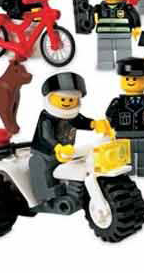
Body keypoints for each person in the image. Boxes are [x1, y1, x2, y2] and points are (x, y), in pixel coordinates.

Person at [30, 72, 113, 205]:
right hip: (45, 152)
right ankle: (47, 196)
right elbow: (46, 136)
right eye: (63, 99)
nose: (67, 103)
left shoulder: (71, 115)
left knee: (72, 167)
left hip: (67, 152)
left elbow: (81, 121)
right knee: (42, 168)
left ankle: (73, 191)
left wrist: (94, 124)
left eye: (71, 100)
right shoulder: (47, 117)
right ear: (50, 98)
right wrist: (58, 147)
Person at [106, 58, 144, 177]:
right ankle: (126, 172)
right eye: (127, 78)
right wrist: (111, 127)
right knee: (125, 157)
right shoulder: (118, 102)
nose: (131, 81)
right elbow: (109, 114)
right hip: (123, 135)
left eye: (135, 78)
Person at [94, 0, 141, 70]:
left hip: (123, 34)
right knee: (104, 52)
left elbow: (134, 15)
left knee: (124, 52)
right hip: (104, 35)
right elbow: (90, 18)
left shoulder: (126, 7)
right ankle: (105, 65)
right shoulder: (99, 8)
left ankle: (124, 66)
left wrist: (136, 27)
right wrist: (93, 18)